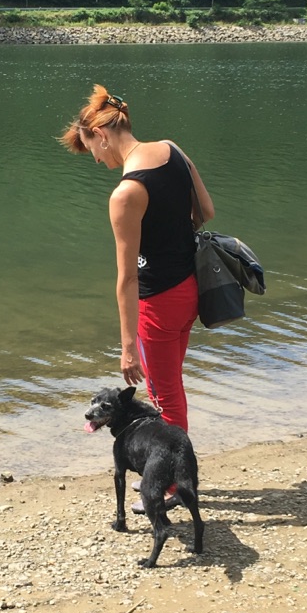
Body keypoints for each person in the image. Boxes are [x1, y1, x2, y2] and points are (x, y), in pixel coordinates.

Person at [61, 84, 214, 511]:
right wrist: (170, 233)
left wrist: (128, 347)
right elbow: (205, 211)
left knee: (164, 398)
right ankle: (174, 476)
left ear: (101, 134)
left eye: (92, 150)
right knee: (172, 388)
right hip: (189, 291)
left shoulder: (126, 193)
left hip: (158, 303)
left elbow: (127, 279)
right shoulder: (172, 150)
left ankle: (170, 486)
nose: (97, 160)